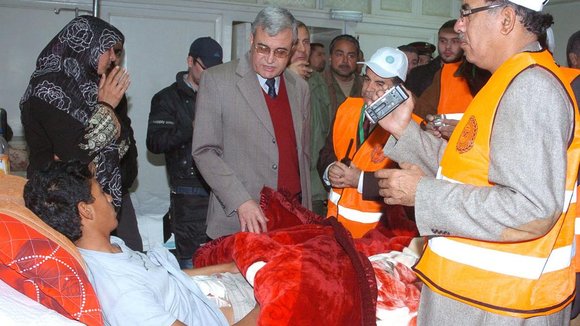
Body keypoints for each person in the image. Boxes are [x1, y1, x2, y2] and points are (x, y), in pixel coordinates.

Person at [374, 0, 580, 324]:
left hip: (499, 307)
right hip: (477, 299)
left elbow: (530, 209)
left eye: (467, 11)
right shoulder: (505, 81)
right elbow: (466, 168)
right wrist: (404, 128)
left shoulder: (531, 87)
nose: (458, 25)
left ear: (507, 19)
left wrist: (423, 195)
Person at [23, 160, 258, 326]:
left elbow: (162, 279)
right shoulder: (120, 293)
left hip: (209, 289)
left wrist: (228, 268)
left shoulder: (111, 247)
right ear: (86, 211)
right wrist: (267, 308)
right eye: (102, 192)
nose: (110, 197)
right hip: (232, 311)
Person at [192, 6, 311, 239]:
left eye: (280, 52)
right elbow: (204, 151)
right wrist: (241, 201)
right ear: (251, 39)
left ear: (292, 49)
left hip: (293, 221)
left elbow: (302, 156)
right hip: (240, 220)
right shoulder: (217, 81)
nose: (270, 59)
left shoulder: (301, 88)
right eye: (263, 48)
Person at [20, 15, 130, 209]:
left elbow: (123, 143)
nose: (113, 57)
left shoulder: (93, 88)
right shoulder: (47, 88)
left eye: (116, 51)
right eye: (107, 48)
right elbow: (75, 154)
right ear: (85, 45)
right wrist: (106, 107)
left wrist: (108, 113)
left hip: (96, 201)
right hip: (57, 204)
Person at [147, 37, 223, 268]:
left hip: (221, 192)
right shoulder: (167, 98)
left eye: (216, 70)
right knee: (192, 265)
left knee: (222, 263)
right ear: (190, 61)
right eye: (205, 68)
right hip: (188, 193)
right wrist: (190, 127)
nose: (210, 74)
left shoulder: (223, 95)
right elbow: (155, 143)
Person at [317, 47, 408, 238]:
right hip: (334, 228)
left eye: (380, 83)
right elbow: (326, 153)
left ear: (398, 91)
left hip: (379, 238)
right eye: (367, 79)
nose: (368, 88)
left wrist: (358, 180)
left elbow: (406, 185)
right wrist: (329, 170)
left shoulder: (411, 129)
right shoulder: (347, 108)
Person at [309, 34, 363, 215]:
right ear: (330, 57)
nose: (345, 60)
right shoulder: (314, 85)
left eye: (351, 55)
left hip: (357, 179)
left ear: (358, 59)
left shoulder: (367, 88)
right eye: (340, 54)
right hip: (318, 180)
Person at [406, 21, 462, 97]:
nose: (448, 46)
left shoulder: (472, 74)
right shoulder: (417, 74)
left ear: (464, 42)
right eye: (443, 41)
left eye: (454, 41)